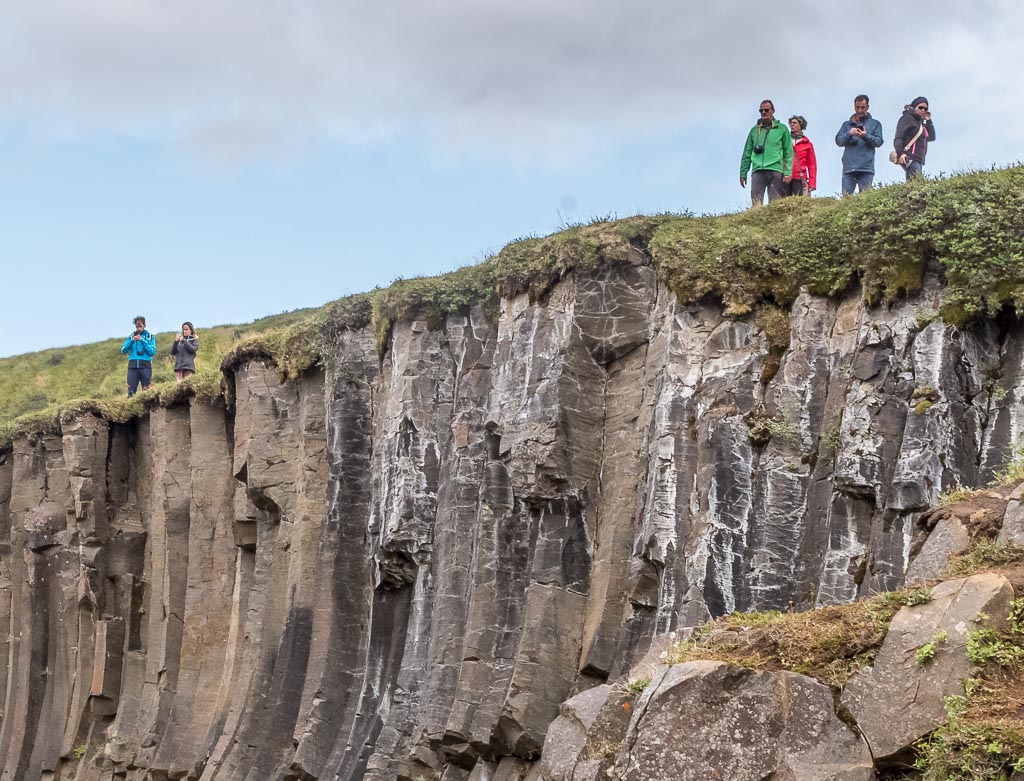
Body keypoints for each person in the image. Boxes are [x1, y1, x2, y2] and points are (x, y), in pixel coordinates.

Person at [740, 100, 793, 206]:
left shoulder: (782, 129)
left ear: (773, 111)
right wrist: (743, 173)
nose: (763, 112)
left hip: (776, 169)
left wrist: (788, 173)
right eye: (761, 110)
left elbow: (788, 151)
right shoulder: (754, 130)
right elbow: (747, 152)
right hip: (758, 170)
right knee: (756, 203)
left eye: (766, 110)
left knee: (775, 203)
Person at [835, 94, 884, 194]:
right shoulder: (846, 124)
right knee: (846, 199)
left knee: (865, 199)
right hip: (849, 168)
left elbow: (879, 142)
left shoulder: (875, 124)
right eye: (857, 107)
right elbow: (839, 141)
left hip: (866, 168)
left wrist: (865, 136)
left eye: (863, 107)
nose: (860, 110)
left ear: (867, 107)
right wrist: (849, 134)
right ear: (854, 107)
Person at [894, 97, 936, 181]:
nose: (923, 110)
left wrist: (928, 121)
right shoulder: (907, 119)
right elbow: (898, 137)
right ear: (914, 107)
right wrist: (901, 153)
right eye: (920, 107)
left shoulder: (922, 125)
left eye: (925, 109)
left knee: (915, 182)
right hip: (910, 157)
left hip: (919, 160)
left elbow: (931, 137)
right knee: (916, 182)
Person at [121, 315, 156, 397]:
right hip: (132, 366)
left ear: (144, 325)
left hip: (145, 366)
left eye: (140, 326)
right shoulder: (131, 336)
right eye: (137, 327)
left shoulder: (150, 337)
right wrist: (132, 341)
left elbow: (152, 351)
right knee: (131, 391)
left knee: (147, 390)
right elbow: (123, 350)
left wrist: (142, 340)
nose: (139, 329)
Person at [786, 115, 816, 196]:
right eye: (791, 123)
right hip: (785, 176)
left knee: (799, 202)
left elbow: (812, 165)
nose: (792, 124)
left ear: (801, 125)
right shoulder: (785, 140)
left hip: (799, 178)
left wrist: (812, 183)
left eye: (795, 123)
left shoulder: (807, 144)